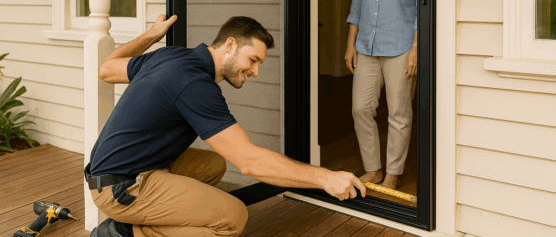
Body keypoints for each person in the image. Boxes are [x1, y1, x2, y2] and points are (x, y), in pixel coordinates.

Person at [87, 14, 366, 237]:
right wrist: (326, 178)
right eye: (253, 60)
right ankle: (125, 232)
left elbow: (106, 68)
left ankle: (157, 207)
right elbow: (249, 162)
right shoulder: (195, 84)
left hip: (123, 169)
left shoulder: (171, 56)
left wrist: (152, 36)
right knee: (233, 218)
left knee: (214, 165)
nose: (255, 71)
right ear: (230, 45)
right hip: (120, 187)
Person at [345, 0, 418, 191]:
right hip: (367, 45)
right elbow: (359, 0)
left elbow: (421, 1)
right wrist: (351, 42)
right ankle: (373, 168)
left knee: (399, 113)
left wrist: (416, 48)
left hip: (401, 44)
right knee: (360, 108)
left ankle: (393, 173)